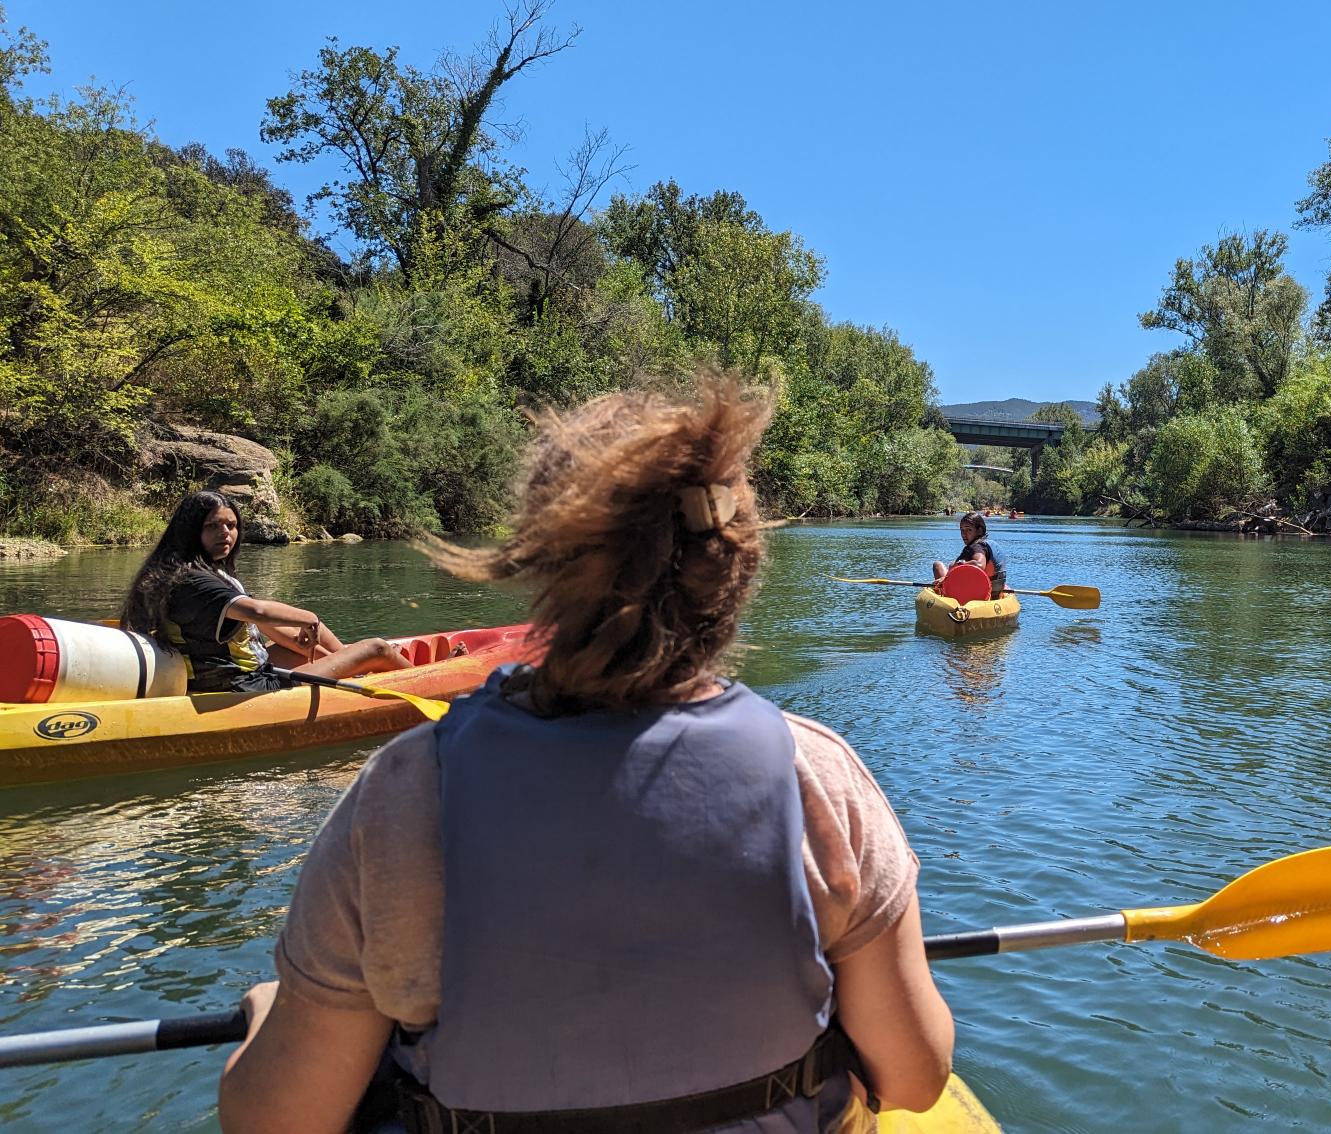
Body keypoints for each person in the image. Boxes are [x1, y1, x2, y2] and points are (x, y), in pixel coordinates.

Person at [217, 379, 954, 1134]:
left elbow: (279, 1124)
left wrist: (271, 1016)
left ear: (542, 568)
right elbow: (915, 1077)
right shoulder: (817, 775)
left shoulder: (403, 791)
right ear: (737, 575)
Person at [119, 491, 410, 693]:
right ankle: (414, 678)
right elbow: (257, 611)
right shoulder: (196, 582)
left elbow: (258, 623)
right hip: (245, 685)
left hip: (220, 675)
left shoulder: (176, 571)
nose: (225, 533)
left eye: (231, 525)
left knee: (297, 644)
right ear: (191, 532)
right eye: (212, 526)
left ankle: (355, 665)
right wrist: (308, 617)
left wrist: (310, 634)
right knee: (377, 647)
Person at [931, 511, 1007, 599]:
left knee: (937, 565)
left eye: (968, 530)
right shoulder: (988, 544)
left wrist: (959, 565)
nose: (964, 534)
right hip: (995, 592)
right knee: (950, 565)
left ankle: (942, 595)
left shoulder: (977, 547)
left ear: (979, 530)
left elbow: (979, 565)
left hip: (980, 593)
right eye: (962, 530)